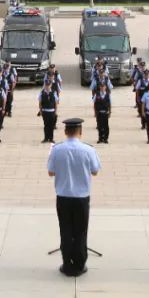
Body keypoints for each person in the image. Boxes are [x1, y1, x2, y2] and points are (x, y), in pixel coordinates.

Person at [47, 118, 101, 277]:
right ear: (80, 132)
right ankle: (79, 263)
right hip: (81, 197)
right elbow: (95, 171)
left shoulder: (57, 149)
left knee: (65, 229)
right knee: (80, 231)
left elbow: (50, 172)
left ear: (65, 132)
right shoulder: (88, 150)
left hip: (63, 196)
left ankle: (66, 263)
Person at [92, 79, 111, 144]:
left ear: (106, 87)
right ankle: (100, 138)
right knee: (99, 126)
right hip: (99, 112)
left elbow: (110, 104)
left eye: (104, 86)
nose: (102, 88)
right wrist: (95, 112)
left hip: (105, 112)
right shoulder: (96, 94)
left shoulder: (108, 95)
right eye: (101, 86)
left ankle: (105, 138)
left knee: (106, 126)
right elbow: (94, 104)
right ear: (99, 87)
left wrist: (110, 112)